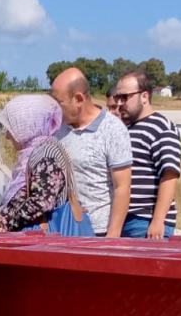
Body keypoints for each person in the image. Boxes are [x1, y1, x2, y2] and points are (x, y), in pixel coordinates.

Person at [50, 68, 132, 237]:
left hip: (98, 232)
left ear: (79, 99)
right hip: (63, 229)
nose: (55, 109)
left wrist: (113, 235)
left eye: (59, 103)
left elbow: (122, 187)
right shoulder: (57, 130)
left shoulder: (112, 130)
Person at [0, 94, 85, 232]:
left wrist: (5, 220)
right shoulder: (36, 151)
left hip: (48, 240)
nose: (7, 136)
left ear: (26, 125)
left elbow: (41, 202)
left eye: (11, 128)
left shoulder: (47, 154)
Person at [114, 71, 181, 239]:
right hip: (123, 218)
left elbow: (169, 175)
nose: (120, 103)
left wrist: (158, 221)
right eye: (117, 98)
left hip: (144, 220)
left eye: (125, 97)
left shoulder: (162, 128)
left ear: (144, 96)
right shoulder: (126, 128)